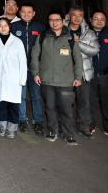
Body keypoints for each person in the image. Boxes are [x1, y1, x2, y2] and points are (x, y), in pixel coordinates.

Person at [31, 10, 83, 145]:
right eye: (51, 20)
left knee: (66, 109)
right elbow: (35, 56)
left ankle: (68, 134)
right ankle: (52, 131)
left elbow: (78, 59)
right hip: (47, 80)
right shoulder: (43, 37)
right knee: (50, 108)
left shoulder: (70, 38)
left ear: (63, 21)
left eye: (57, 20)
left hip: (66, 81)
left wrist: (78, 77)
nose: (54, 23)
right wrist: (35, 73)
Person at [10, 3, 45, 135]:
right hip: (19, 68)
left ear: (34, 13)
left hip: (35, 69)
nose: (26, 14)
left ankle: (38, 121)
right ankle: (22, 119)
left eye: (29, 12)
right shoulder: (13, 26)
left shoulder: (40, 27)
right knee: (21, 96)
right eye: (23, 12)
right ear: (19, 13)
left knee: (36, 96)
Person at [67, 6, 99, 139]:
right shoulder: (62, 30)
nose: (77, 18)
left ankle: (83, 126)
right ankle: (66, 126)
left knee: (83, 101)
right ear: (69, 16)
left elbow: (95, 50)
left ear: (83, 17)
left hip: (83, 73)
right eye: (74, 15)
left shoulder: (89, 33)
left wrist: (78, 43)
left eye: (80, 15)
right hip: (65, 72)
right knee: (65, 101)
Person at [0, 18, 27, 139]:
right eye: (0, 26)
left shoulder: (17, 42)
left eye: (5, 25)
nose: (3, 28)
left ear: (9, 27)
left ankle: (12, 129)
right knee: (1, 105)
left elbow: (23, 62)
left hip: (14, 79)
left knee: (13, 105)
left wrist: (22, 79)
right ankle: (2, 127)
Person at [89, 10, 108, 138]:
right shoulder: (85, 33)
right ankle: (90, 124)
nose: (99, 21)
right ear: (91, 20)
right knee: (90, 102)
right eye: (96, 18)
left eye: (102, 19)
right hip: (90, 75)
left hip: (107, 74)